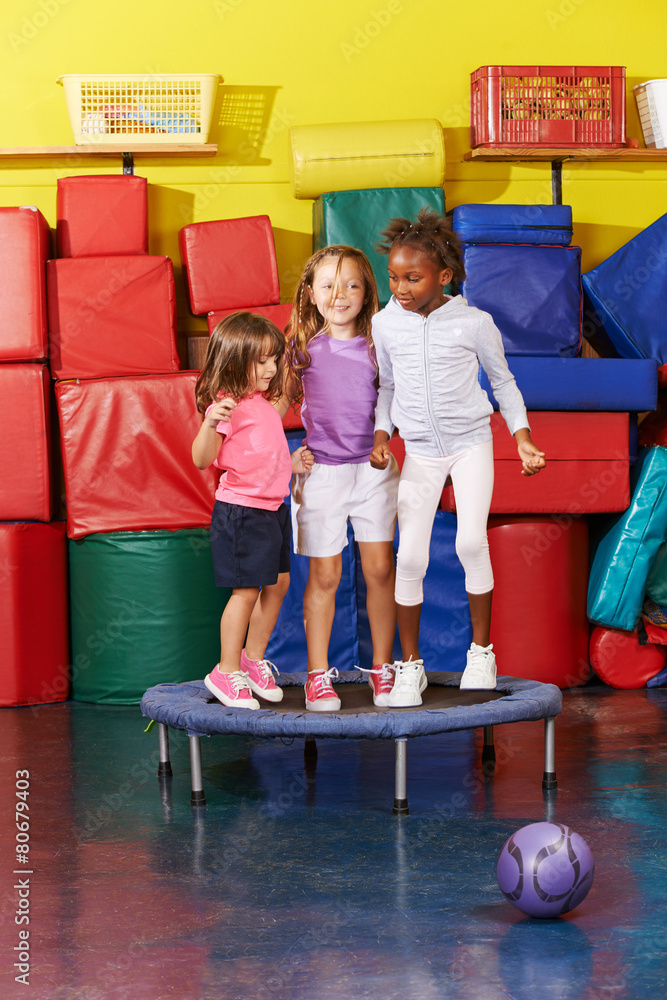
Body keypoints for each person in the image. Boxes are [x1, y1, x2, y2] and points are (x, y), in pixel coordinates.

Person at [369, 209, 546, 705]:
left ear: (443, 276)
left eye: (412, 278)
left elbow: (504, 383)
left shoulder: (473, 323)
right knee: (411, 555)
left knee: (471, 541)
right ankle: (410, 665)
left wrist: (522, 437)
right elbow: (386, 387)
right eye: (394, 278)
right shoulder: (385, 324)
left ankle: (481, 651)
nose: (400, 287)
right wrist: (383, 435)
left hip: (471, 444)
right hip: (421, 452)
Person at [281, 246, 401, 711]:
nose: (340, 294)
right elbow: (275, 408)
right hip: (324, 475)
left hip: (373, 473)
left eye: (351, 284)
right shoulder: (302, 351)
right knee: (325, 575)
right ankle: (317, 675)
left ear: (367, 291)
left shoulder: (378, 347)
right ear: (311, 294)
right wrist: (276, 459)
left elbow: (393, 403)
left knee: (379, 569)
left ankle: (383, 669)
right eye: (328, 285)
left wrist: (387, 442)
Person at [192, 311, 312, 710]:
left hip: (272, 508)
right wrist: (209, 424)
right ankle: (226, 671)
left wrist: (290, 464)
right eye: (261, 361)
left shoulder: (260, 403)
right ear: (235, 359)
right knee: (246, 591)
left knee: (277, 585)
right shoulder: (227, 406)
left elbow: (263, 448)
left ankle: (252, 658)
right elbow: (201, 459)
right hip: (241, 512)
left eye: (274, 359)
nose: (271, 368)